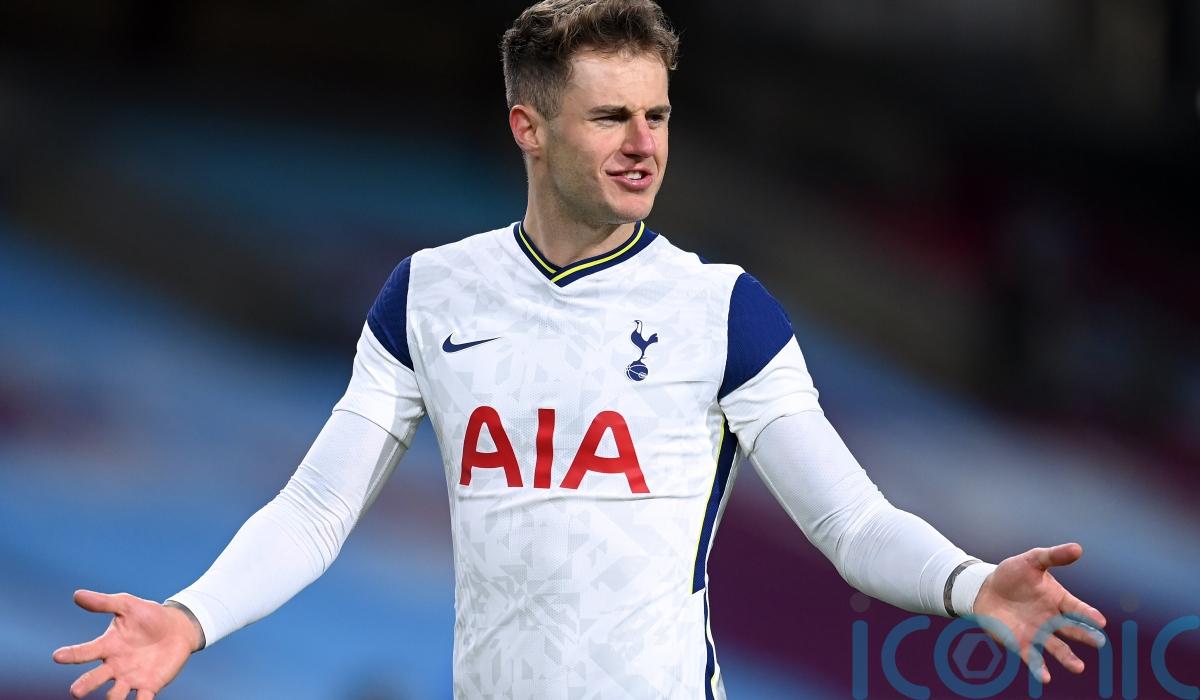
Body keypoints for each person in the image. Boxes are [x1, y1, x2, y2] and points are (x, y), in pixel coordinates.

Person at [52, 1, 1108, 698]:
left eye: (657, 115)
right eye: (610, 117)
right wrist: (190, 618)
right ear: (529, 127)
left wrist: (972, 583)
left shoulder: (722, 309)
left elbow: (851, 522)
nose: (644, 144)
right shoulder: (429, 292)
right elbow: (317, 510)